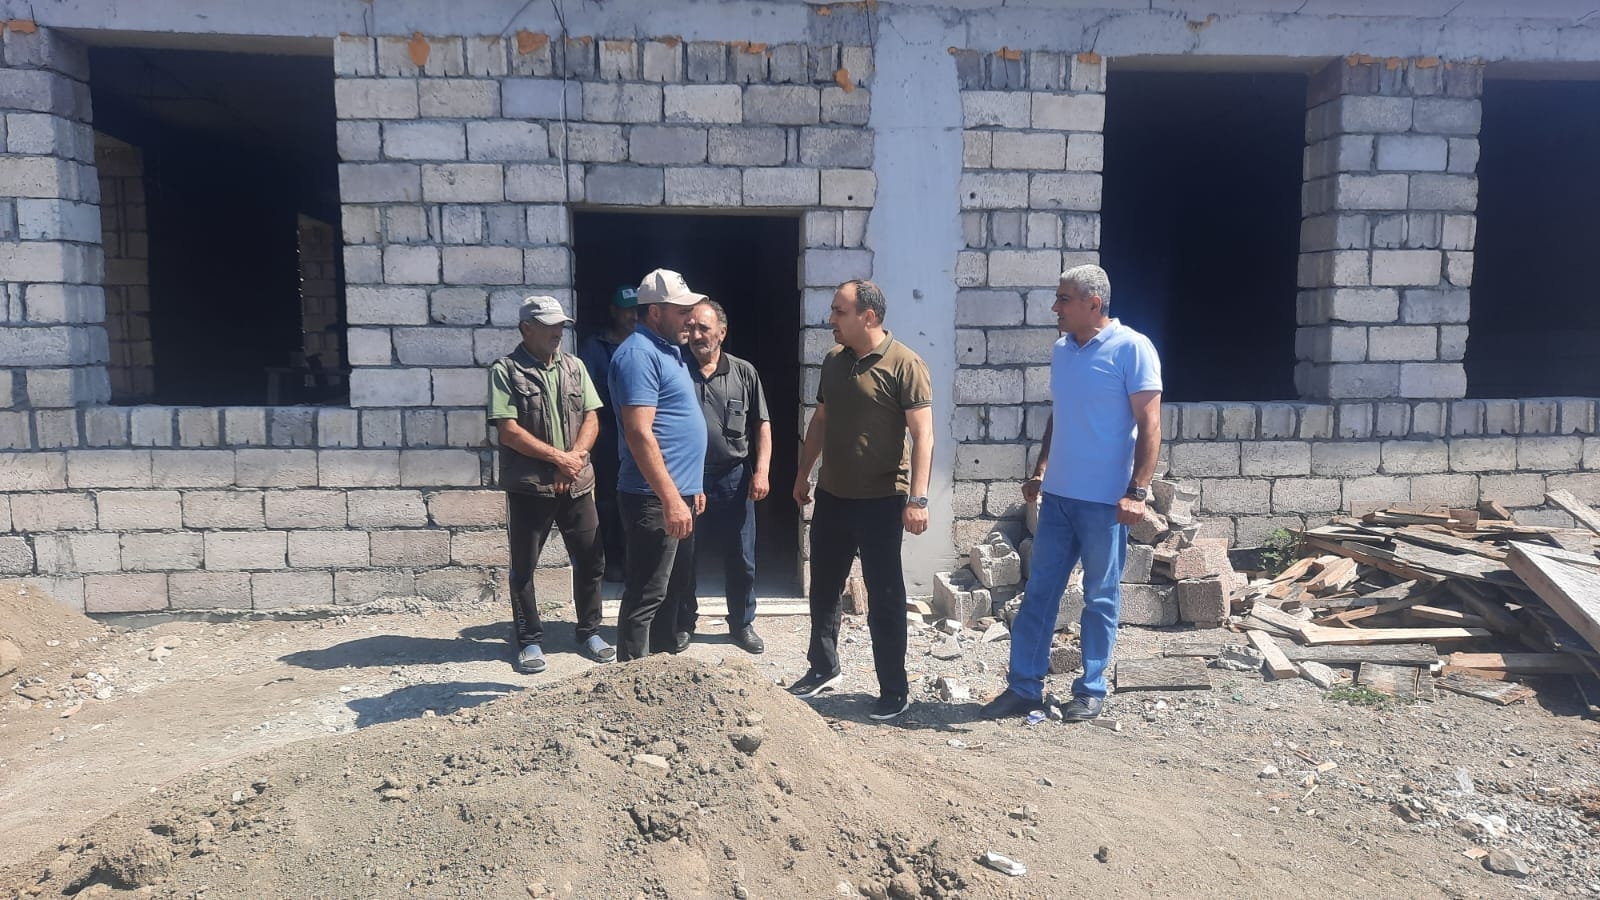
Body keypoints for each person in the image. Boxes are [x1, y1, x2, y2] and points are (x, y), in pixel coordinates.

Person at [980, 264, 1162, 723]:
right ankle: (1024, 687)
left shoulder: (1133, 348)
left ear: (1093, 303)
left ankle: (1091, 688)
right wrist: (1041, 470)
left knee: (1100, 597)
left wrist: (1137, 492)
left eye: (1063, 299)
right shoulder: (1062, 351)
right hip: (1059, 499)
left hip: (1106, 503)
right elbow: (1060, 414)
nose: (1054, 308)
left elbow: (1150, 425)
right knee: (1039, 593)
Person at [790, 279, 933, 722]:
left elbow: (924, 436)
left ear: (867, 317)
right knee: (823, 588)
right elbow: (820, 420)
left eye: (839, 311)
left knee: (884, 596)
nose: (830, 319)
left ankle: (893, 689)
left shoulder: (905, 363)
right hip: (833, 495)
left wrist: (918, 499)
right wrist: (803, 473)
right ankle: (823, 667)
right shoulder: (834, 361)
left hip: (882, 500)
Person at [487, 295, 614, 674]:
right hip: (531, 487)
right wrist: (559, 460)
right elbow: (508, 431)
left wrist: (573, 460)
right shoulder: (506, 371)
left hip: (577, 483)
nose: (558, 332)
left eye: (561, 325)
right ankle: (529, 639)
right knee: (524, 568)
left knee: (591, 560)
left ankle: (589, 631)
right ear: (527, 328)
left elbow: (592, 417)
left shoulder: (574, 366)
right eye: (550, 326)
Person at [609, 268, 708, 661]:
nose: (690, 318)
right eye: (681, 311)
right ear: (654, 312)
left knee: (672, 591)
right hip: (653, 498)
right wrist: (670, 499)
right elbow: (639, 433)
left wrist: (692, 487)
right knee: (647, 593)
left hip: (678, 495)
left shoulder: (668, 352)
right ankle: (631, 681)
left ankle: (664, 679)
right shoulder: (638, 355)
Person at [685, 299, 772, 655]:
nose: (695, 335)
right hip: (687, 479)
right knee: (685, 555)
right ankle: (683, 622)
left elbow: (761, 424)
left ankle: (742, 624)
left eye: (703, 328)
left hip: (734, 478)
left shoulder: (743, 372)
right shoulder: (676, 369)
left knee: (741, 557)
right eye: (690, 328)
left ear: (722, 332)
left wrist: (762, 471)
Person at [578, 286, 639, 583]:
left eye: (637, 310)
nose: (633, 316)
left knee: (641, 497)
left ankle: (635, 561)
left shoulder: (646, 345)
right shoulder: (595, 347)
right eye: (627, 310)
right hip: (608, 434)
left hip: (641, 433)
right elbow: (585, 395)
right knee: (607, 501)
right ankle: (612, 559)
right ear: (614, 312)